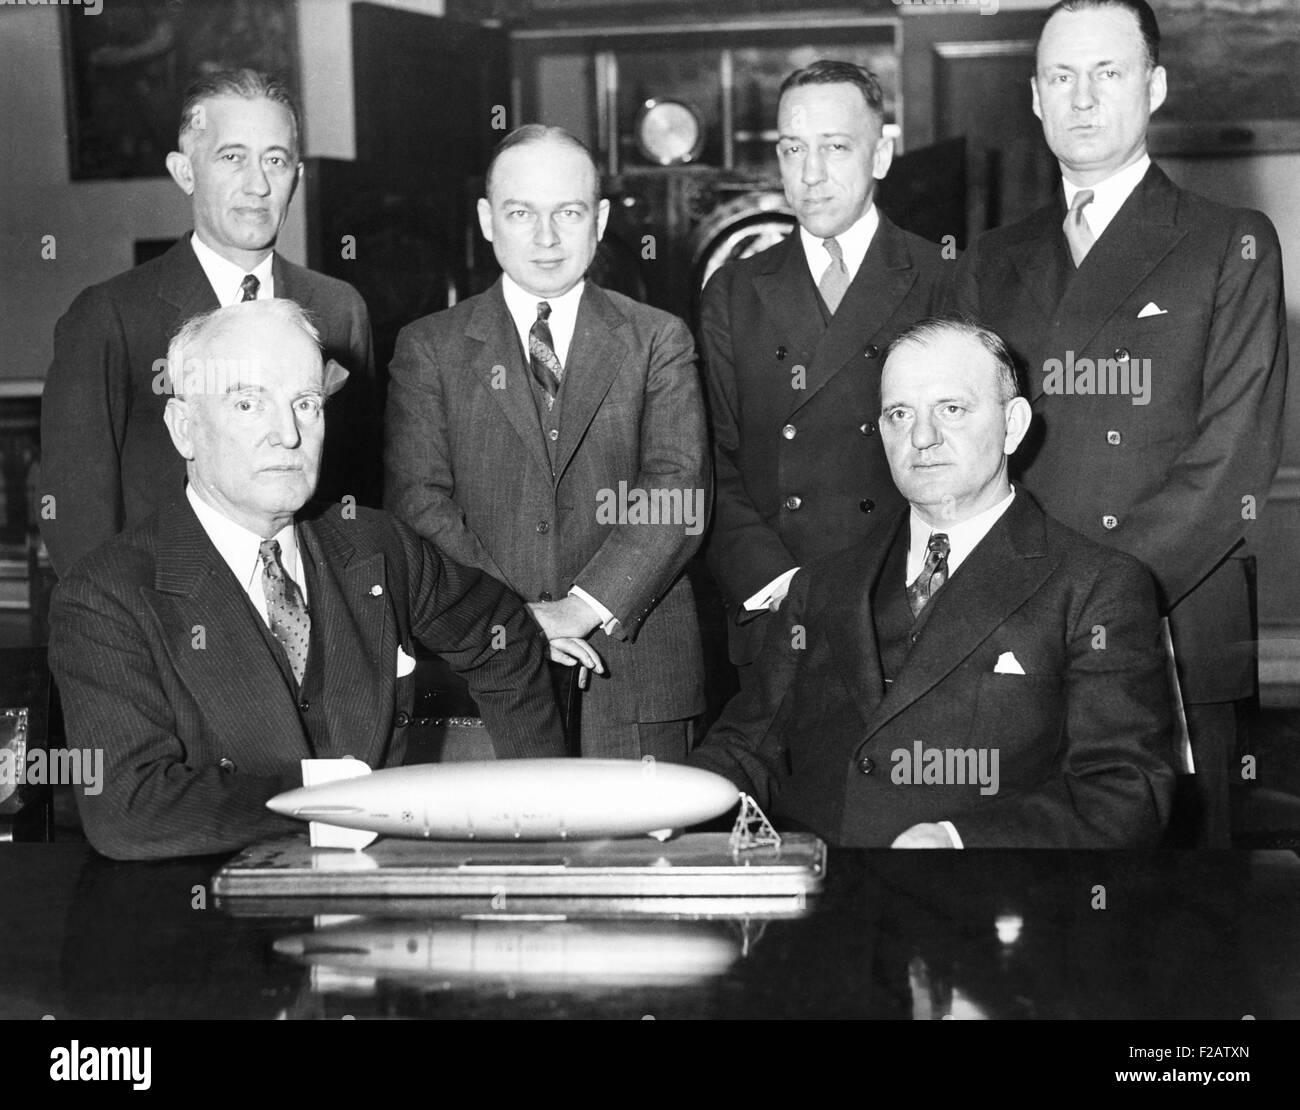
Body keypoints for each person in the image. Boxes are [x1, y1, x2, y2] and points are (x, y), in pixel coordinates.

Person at [49, 299, 568, 861]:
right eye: (248, 403)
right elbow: (128, 808)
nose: (288, 436)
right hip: (208, 921)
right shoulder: (106, 595)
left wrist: (535, 819)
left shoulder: (377, 545)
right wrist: (343, 803)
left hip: (370, 920)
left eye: (305, 404)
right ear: (184, 428)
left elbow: (505, 637)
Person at [951, 0, 1288, 847]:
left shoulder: (1230, 243)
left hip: (1169, 624)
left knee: (1187, 929)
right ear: (1034, 96)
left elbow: (1231, 462)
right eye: (1061, 77)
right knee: (1029, 914)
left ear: (1156, 87)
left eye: (1109, 73)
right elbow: (963, 451)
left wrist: (1090, 601)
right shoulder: (992, 259)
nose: (1084, 98)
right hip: (1015, 636)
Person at [690, 317, 1176, 848]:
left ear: (1013, 424)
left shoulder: (1096, 587)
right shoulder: (821, 586)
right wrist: (657, 803)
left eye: (952, 409)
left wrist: (958, 841)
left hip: (986, 904)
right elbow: (746, 748)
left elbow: (1125, 793)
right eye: (900, 414)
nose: (922, 437)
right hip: (822, 898)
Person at [385, 125, 710, 761]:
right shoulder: (429, 347)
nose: (546, 238)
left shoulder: (658, 339)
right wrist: (518, 618)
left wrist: (581, 608)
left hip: (635, 680)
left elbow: (675, 493)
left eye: (568, 212)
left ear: (601, 218)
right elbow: (420, 505)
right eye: (520, 213)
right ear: (486, 220)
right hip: (482, 676)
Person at [40, 68, 378, 578]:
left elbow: (358, 489)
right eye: (232, 157)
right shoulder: (110, 316)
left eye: (276, 160)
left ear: (298, 177)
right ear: (185, 172)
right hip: (164, 617)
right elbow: (77, 514)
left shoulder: (337, 309)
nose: (258, 184)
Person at [699, 60, 952, 686]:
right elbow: (707, 465)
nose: (810, 175)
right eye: (793, 148)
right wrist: (777, 585)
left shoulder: (944, 275)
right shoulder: (732, 291)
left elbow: (967, 461)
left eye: (836, 147)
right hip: (776, 611)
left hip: (907, 609)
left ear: (882, 154)